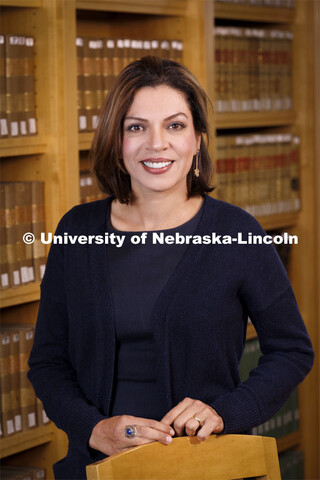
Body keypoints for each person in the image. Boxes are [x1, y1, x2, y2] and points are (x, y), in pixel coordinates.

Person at [28, 56, 314, 479]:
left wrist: (223, 412)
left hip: (210, 467)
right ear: (117, 140)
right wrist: (94, 429)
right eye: (136, 126)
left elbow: (292, 351)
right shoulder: (76, 230)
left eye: (175, 125)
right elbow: (48, 363)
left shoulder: (238, 232)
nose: (156, 144)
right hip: (98, 469)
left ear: (197, 140)